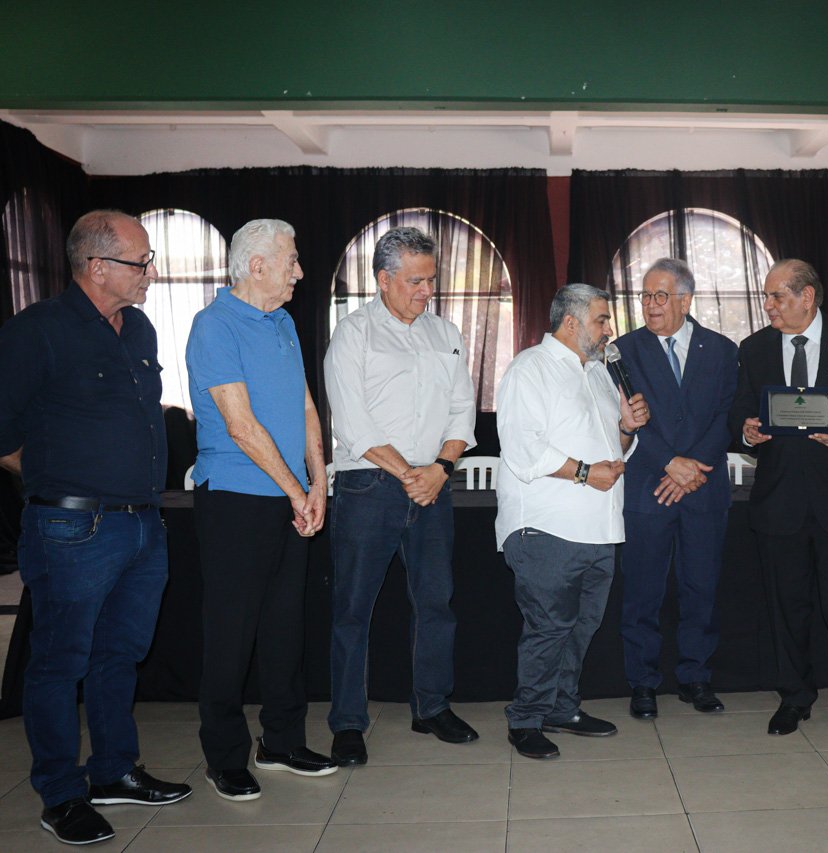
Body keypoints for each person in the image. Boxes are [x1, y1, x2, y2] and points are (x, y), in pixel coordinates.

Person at [0, 210, 192, 846]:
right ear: (97, 266)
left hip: (142, 525)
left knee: (120, 655)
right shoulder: (37, 332)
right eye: (141, 262)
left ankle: (113, 772)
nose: (150, 273)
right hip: (70, 527)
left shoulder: (138, 328)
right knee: (60, 663)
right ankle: (61, 794)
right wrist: (53, 478)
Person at [186, 218, 336, 802]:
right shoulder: (214, 325)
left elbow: (305, 406)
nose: (299, 271)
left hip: (290, 498)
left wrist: (318, 482)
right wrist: (297, 492)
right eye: (291, 261)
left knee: (284, 628)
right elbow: (241, 427)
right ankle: (224, 757)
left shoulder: (283, 322)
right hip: (235, 500)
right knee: (231, 633)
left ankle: (282, 742)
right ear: (256, 266)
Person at [324, 226, 478, 765]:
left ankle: (431, 707)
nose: (426, 291)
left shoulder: (445, 332)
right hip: (369, 485)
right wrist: (410, 473)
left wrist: (439, 468)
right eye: (415, 281)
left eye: (431, 279)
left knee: (436, 603)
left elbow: (462, 409)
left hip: (433, 484)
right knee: (352, 609)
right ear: (383, 279)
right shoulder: (354, 334)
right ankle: (348, 722)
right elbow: (352, 422)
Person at [729, 259, 828, 741]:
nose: (768, 306)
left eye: (776, 296)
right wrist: (747, 431)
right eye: (766, 296)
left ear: (807, 296)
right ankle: (794, 698)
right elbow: (740, 409)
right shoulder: (754, 348)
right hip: (779, 500)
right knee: (786, 609)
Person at [495, 284, 649, 759]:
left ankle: (561, 707)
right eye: (601, 320)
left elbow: (614, 451)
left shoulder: (599, 374)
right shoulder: (530, 368)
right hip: (546, 526)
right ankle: (526, 718)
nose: (608, 331)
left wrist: (626, 429)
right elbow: (523, 448)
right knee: (549, 627)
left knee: (581, 626)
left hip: (599, 528)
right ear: (571, 322)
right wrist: (584, 473)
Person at [614, 258, 738, 719]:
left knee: (700, 588)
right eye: (645, 296)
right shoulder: (622, 351)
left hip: (704, 488)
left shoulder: (722, 350)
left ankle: (695, 677)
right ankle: (643, 682)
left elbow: (727, 414)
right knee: (642, 592)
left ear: (686, 300)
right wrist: (669, 463)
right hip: (648, 486)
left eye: (661, 296)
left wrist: (693, 469)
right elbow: (626, 417)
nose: (651, 304)